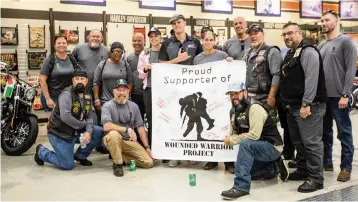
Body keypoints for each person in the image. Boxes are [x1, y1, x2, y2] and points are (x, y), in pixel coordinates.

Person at [280, 23, 327, 192]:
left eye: (290, 33)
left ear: (299, 33)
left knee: (312, 143)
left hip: (308, 107)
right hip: (292, 107)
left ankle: (316, 178)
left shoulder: (308, 51)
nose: (287, 37)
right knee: (299, 142)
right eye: (284, 34)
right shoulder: (291, 53)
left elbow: (311, 79)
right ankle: (302, 170)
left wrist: (306, 103)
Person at [221, 82, 288, 200]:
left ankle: (241, 188)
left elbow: (254, 136)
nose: (233, 97)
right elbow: (233, 133)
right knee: (248, 172)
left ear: (245, 92)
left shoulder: (254, 108)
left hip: (272, 146)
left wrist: (231, 140)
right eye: (231, 95)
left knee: (246, 144)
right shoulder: (233, 111)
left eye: (236, 93)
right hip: (257, 148)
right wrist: (229, 138)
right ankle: (274, 167)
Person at [34, 69, 103, 170]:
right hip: (60, 134)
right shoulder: (66, 94)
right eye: (77, 79)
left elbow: (90, 116)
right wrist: (84, 125)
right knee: (67, 165)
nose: (79, 81)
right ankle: (41, 152)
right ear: (73, 80)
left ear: (86, 81)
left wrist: (88, 131)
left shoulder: (88, 96)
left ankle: (80, 156)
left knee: (98, 131)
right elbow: (66, 117)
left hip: (75, 131)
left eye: (82, 79)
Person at [159, 14, 203, 167]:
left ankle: (191, 152)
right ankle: (175, 154)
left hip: (193, 88)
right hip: (174, 88)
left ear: (184, 23)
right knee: (175, 120)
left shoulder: (195, 42)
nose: (177, 25)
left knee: (192, 119)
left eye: (179, 22)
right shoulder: (167, 43)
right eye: (174, 23)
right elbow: (161, 65)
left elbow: (203, 61)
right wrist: (177, 60)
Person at [318, 10, 357, 182]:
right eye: (321, 20)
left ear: (336, 21)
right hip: (324, 98)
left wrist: (346, 94)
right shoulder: (321, 45)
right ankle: (327, 162)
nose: (323, 23)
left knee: (344, 133)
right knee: (325, 132)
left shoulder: (346, 42)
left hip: (339, 97)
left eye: (327, 20)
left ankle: (346, 167)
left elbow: (350, 69)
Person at [193, 30, 235, 173]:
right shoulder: (197, 59)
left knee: (224, 127)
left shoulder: (222, 55)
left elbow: (231, 71)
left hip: (221, 98)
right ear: (202, 41)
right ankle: (212, 160)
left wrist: (230, 62)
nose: (208, 42)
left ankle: (229, 162)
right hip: (206, 99)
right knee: (209, 128)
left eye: (211, 40)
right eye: (206, 39)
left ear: (215, 41)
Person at [101, 79, 153, 177]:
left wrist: (147, 147)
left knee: (148, 163)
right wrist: (127, 129)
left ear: (128, 91)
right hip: (111, 140)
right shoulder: (107, 106)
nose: (121, 93)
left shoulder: (134, 106)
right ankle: (118, 165)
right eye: (119, 90)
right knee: (113, 134)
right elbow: (106, 126)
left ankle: (119, 155)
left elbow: (140, 127)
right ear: (114, 91)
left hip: (129, 141)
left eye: (124, 90)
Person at [244, 24, 282, 111]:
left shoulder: (272, 51)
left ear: (263, 34)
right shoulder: (246, 53)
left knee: (266, 124)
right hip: (248, 100)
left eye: (256, 33)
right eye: (250, 34)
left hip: (265, 100)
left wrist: (271, 96)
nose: (253, 36)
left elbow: (277, 75)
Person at [39, 34, 77, 118]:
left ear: (67, 44)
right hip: (52, 97)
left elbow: (75, 77)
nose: (61, 45)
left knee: (67, 123)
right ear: (54, 45)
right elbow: (42, 80)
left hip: (68, 97)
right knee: (54, 125)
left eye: (64, 43)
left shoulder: (71, 59)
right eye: (59, 43)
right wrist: (48, 99)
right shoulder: (50, 60)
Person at [93, 42, 133, 116]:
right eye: (115, 51)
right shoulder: (102, 64)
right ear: (110, 52)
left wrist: (127, 97)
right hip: (105, 101)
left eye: (120, 52)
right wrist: (96, 99)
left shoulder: (125, 65)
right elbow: (96, 82)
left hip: (121, 100)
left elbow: (130, 82)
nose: (117, 53)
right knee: (107, 124)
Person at [137, 27, 161, 146]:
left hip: (163, 89)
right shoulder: (145, 53)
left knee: (164, 117)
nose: (153, 38)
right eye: (151, 36)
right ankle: (153, 145)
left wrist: (156, 67)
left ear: (160, 37)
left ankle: (164, 145)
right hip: (149, 88)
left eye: (156, 36)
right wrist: (145, 69)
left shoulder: (165, 50)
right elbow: (140, 73)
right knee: (151, 118)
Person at [72, 29, 109, 97]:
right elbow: (72, 63)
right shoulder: (79, 48)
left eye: (98, 37)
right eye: (93, 36)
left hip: (100, 87)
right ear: (88, 37)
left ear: (102, 38)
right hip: (82, 87)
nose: (95, 38)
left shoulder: (107, 51)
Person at [127, 33, 146, 120]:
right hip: (135, 94)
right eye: (134, 41)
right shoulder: (129, 58)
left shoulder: (149, 55)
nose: (137, 43)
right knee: (136, 119)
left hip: (148, 93)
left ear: (144, 41)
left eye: (139, 40)